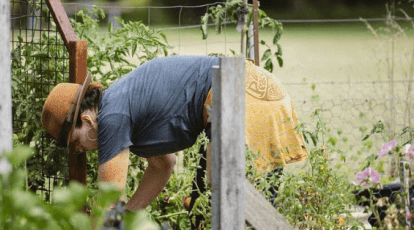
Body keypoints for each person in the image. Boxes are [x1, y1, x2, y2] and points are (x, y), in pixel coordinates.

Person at [41, 55, 307, 212]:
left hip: (240, 96)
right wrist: (131, 217)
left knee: (220, 211)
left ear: (87, 119)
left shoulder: (111, 117)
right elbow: (162, 165)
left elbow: (111, 200)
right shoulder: (121, 105)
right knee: (214, 210)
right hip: (256, 89)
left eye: (76, 141)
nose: (82, 150)